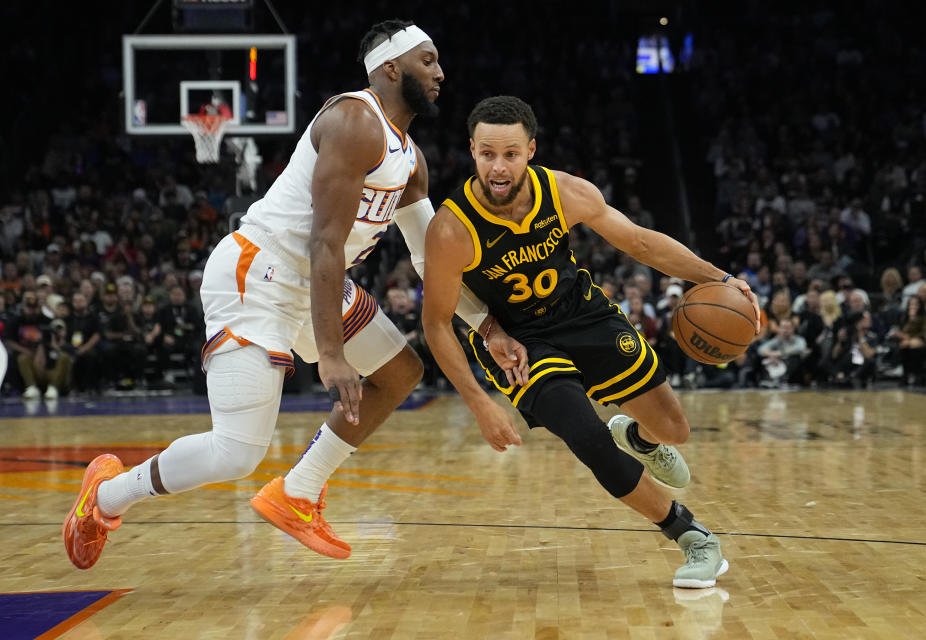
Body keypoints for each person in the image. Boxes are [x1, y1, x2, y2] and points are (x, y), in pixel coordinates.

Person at [63, 20, 522, 570]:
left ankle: (299, 492)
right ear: (392, 68)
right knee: (237, 452)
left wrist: (487, 328)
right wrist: (330, 354)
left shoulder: (411, 161)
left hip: (316, 284)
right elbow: (325, 242)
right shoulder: (354, 120)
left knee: (399, 372)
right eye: (428, 61)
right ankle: (107, 496)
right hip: (260, 274)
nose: (441, 72)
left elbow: (431, 263)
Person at [421, 96, 759, 588]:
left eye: (510, 154)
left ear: (530, 150)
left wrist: (720, 277)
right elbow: (435, 322)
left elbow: (641, 243)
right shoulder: (451, 229)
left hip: (583, 313)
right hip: (520, 342)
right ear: (471, 150)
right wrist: (479, 403)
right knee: (588, 439)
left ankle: (638, 436)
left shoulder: (564, 192)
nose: (498, 166)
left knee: (675, 429)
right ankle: (694, 537)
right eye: (487, 153)